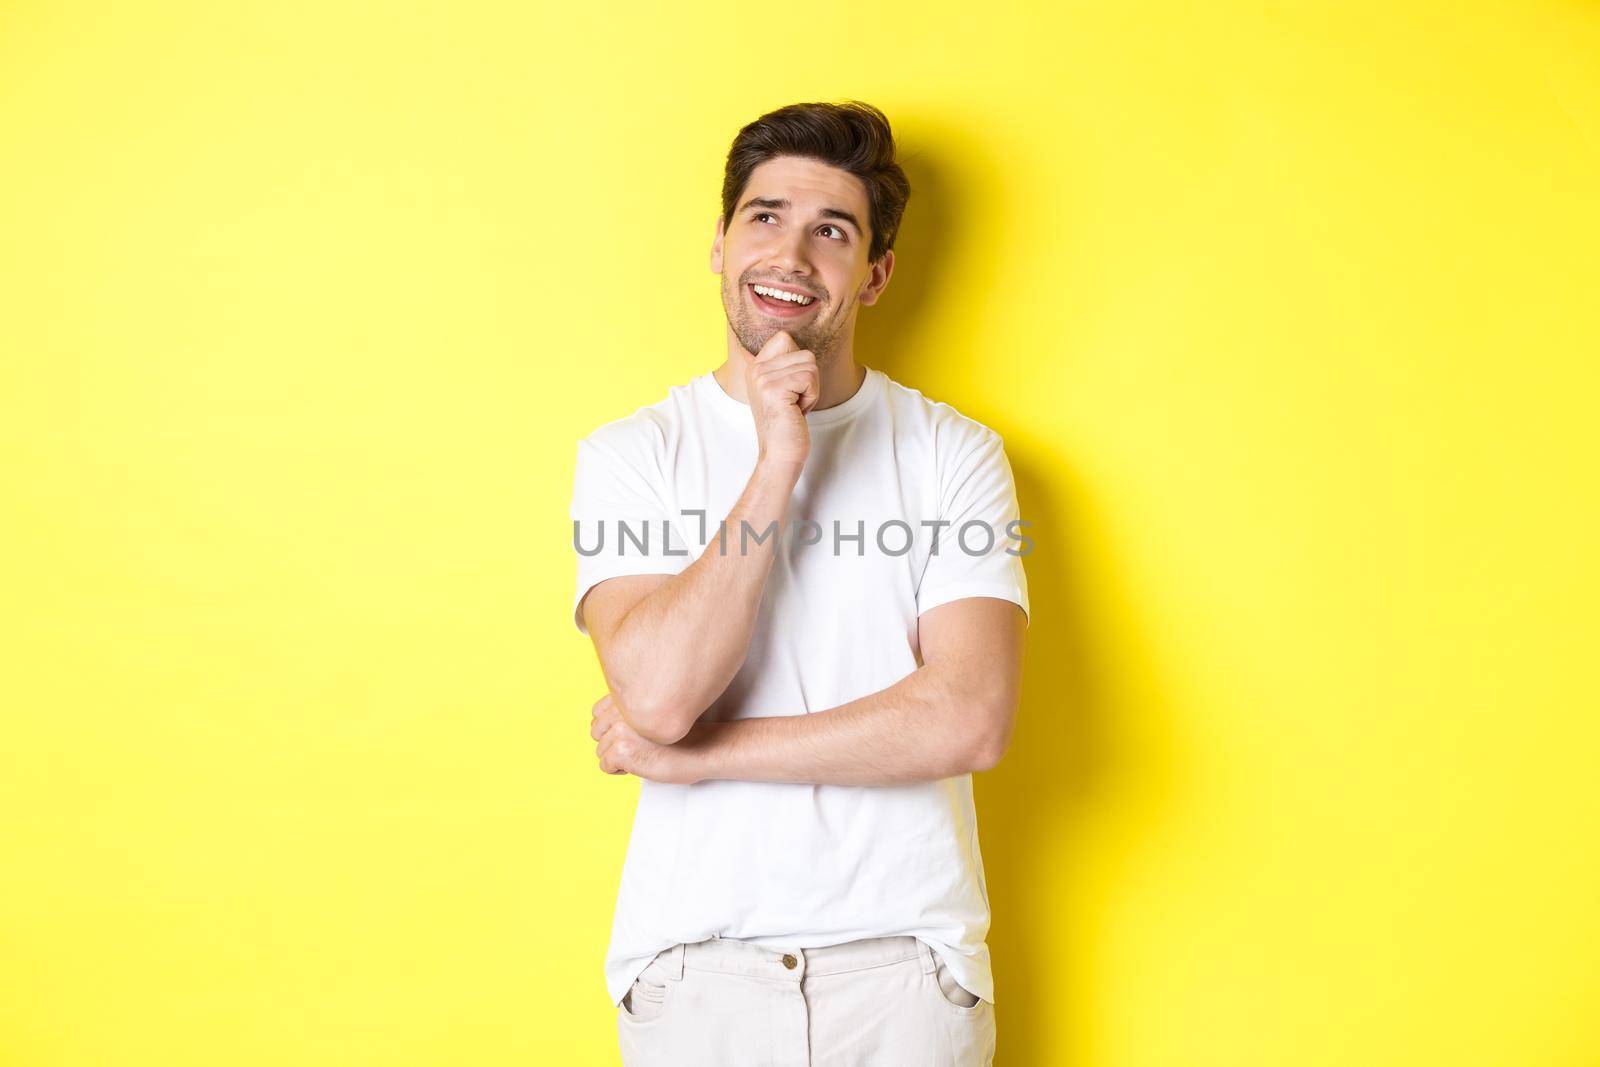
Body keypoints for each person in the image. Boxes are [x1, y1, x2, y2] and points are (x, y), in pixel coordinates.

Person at [569, 99, 1029, 1066]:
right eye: (765, 216)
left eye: (833, 230)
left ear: (875, 274)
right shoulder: (631, 456)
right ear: (720, 244)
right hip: (695, 974)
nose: (791, 254)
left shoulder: (952, 453)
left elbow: (967, 716)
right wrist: (779, 458)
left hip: (904, 970)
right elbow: (656, 696)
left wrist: (702, 757)